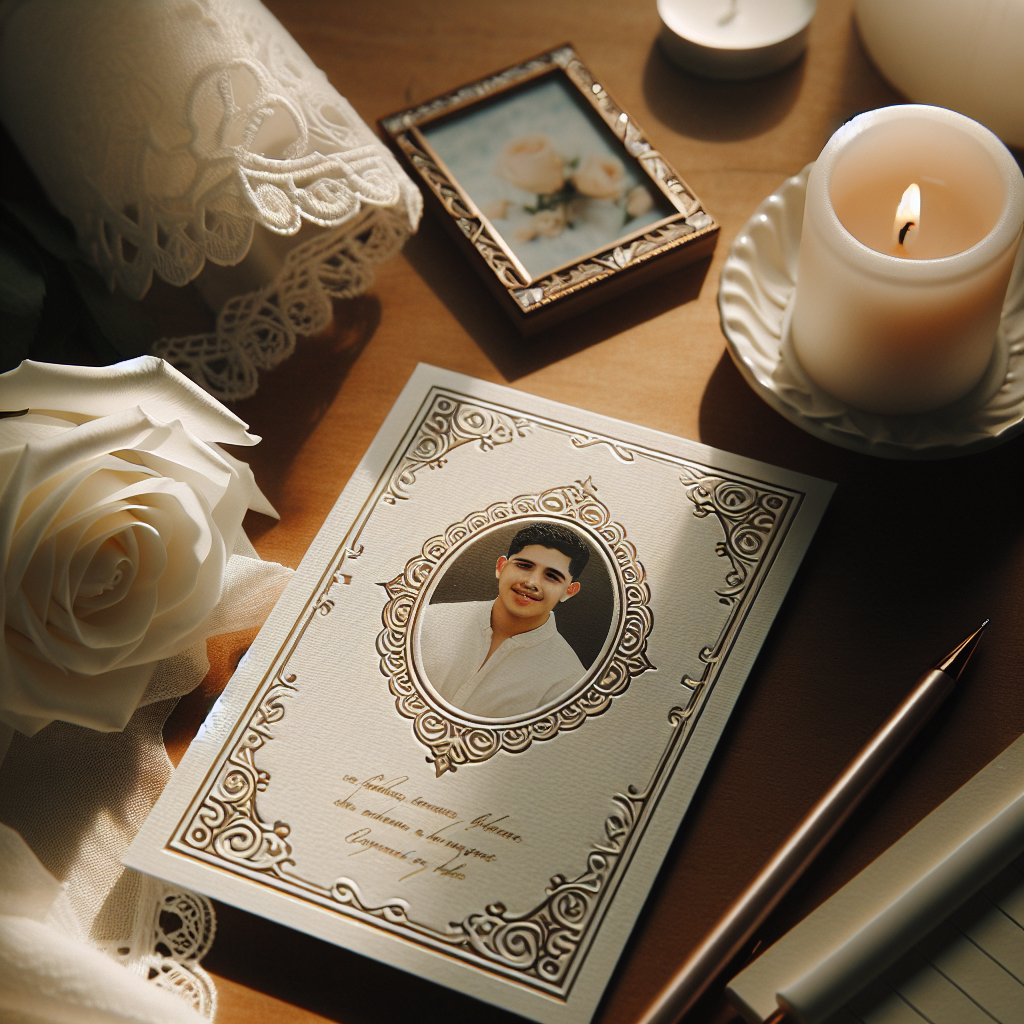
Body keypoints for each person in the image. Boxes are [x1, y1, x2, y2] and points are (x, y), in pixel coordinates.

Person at [419, 522, 590, 718]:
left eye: (552, 576)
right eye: (524, 566)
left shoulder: (569, 682)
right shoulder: (429, 620)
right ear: (501, 567)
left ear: (569, 591)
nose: (531, 583)